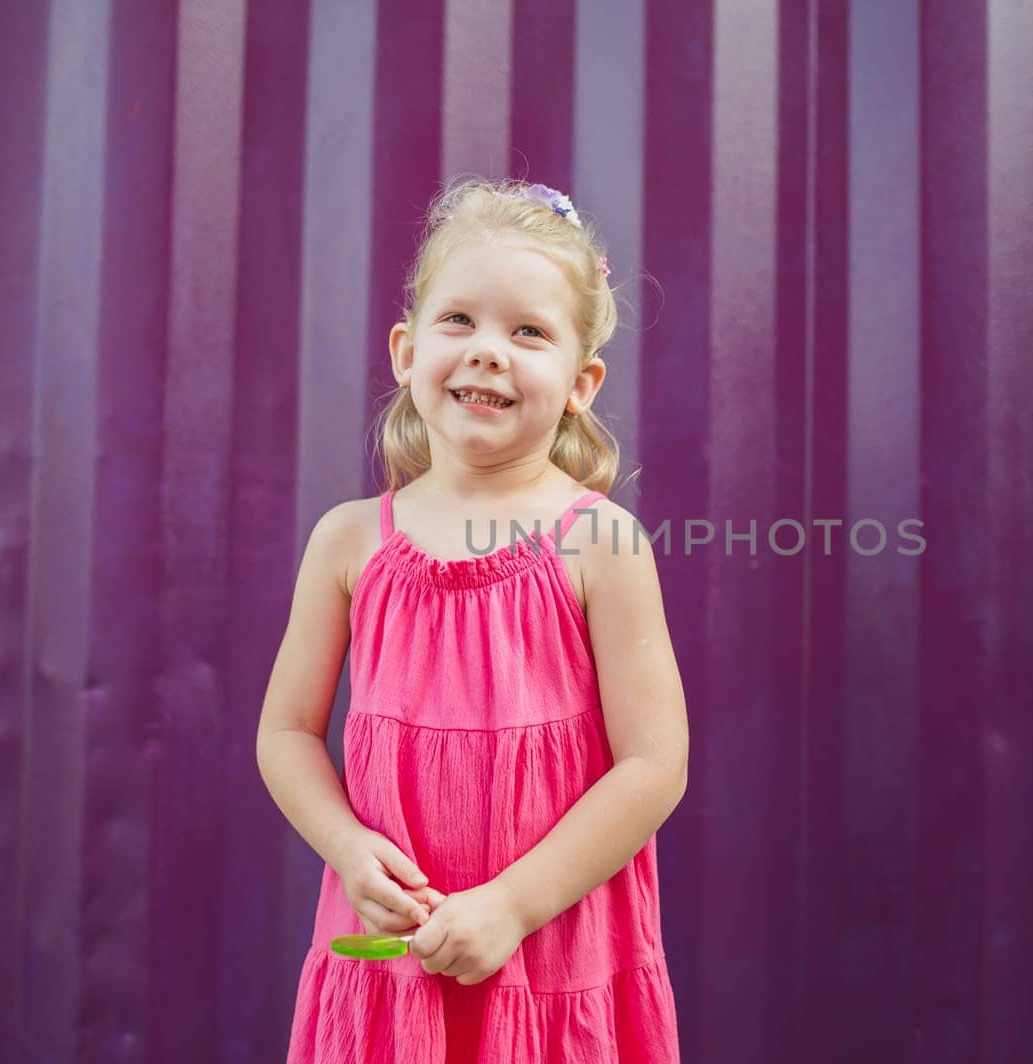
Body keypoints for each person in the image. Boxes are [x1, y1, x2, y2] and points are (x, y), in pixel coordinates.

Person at [257, 178, 688, 1062]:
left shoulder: (600, 542)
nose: (488, 351)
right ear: (406, 351)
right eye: (460, 321)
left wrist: (513, 905)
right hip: (394, 963)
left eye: (528, 332)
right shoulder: (348, 542)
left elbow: (655, 767)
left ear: (581, 382)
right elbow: (287, 734)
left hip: (550, 951)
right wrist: (346, 848)